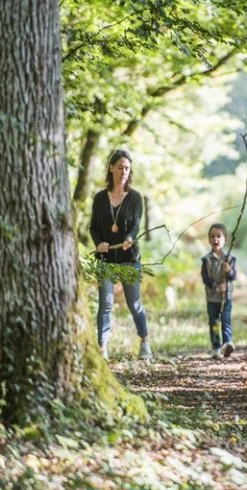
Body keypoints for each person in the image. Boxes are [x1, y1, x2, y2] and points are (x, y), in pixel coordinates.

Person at [90, 149, 152, 360]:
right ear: (111, 168)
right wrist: (99, 244)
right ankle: (102, 348)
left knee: (134, 305)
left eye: (127, 168)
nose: (124, 171)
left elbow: (135, 225)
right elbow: (93, 228)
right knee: (106, 305)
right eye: (120, 167)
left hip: (129, 259)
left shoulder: (135, 198)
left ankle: (144, 342)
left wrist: (130, 238)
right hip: (105, 260)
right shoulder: (99, 198)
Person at [201, 223, 237, 359]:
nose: (215, 239)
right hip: (212, 297)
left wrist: (229, 271)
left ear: (225, 239)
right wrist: (216, 286)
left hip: (226, 297)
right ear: (209, 239)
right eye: (212, 236)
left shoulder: (230, 258)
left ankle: (227, 343)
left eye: (218, 236)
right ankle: (216, 347)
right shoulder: (206, 260)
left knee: (226, 320)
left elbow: (234, 276)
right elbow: (205, 278)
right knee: (213, 321)